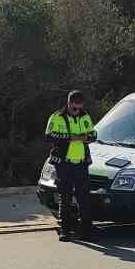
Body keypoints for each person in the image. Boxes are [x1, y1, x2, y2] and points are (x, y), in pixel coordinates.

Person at [45, 90, 96, 240]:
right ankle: (65, 230)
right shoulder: (57, 117)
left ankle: (87, 231)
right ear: (69, 103)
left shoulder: (85, 116)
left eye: (79, 107)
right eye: (75, 107)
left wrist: (85, 137)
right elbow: (48, 136)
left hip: (81, 163)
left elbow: (93, 135)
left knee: (84, 198)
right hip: (64, 164)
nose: (77, 110)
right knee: (65, 197)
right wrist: (70, 138)